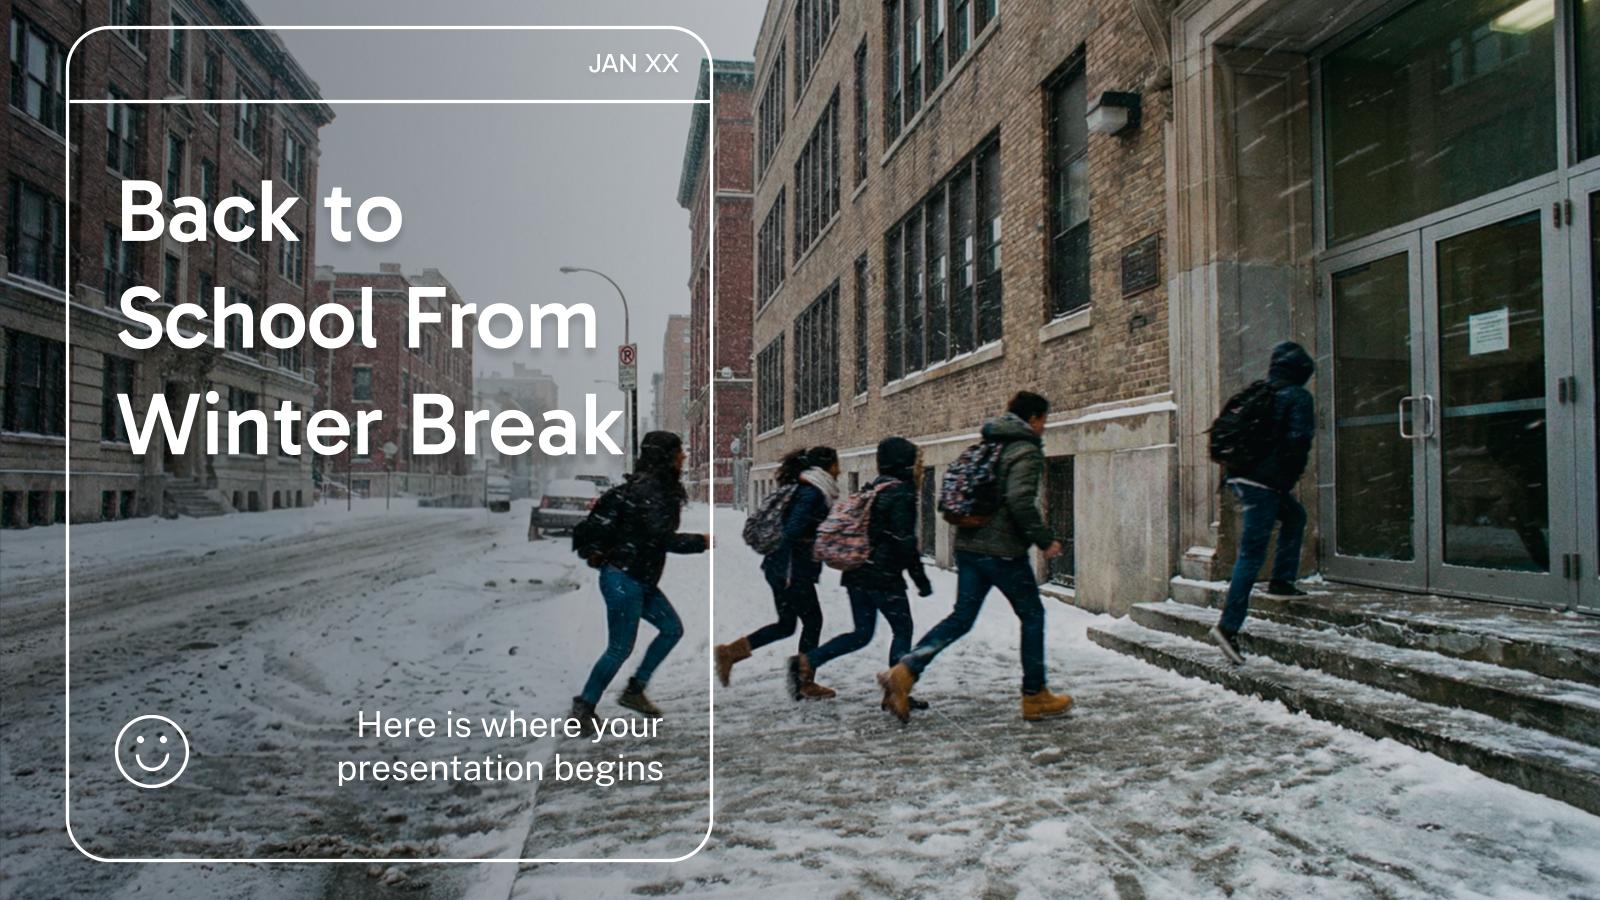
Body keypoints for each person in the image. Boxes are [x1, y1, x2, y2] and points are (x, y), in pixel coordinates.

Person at [878, 392, 1073, 724]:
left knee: (961, 618)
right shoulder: (1024, 450)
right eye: (1043, 421)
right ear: (1035, 419)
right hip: (1003, 553)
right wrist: (1044, 540)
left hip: (969, 549)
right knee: (1033, 615)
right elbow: (1020, 501)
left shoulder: (989, 444)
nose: (1044, 427)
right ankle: (1035, 695)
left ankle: (905, 671)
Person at [570, 431, 708, 727]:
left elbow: (650, 536)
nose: (683, 457)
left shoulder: (656, 487)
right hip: (624, 579)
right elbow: (660, 537)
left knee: (671, 628)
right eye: (678, 452)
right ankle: (584, 706)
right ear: (665, 457)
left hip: (639, 578)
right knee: (619, 647)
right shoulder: (651, 491)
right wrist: (702, 541)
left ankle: (635, 690)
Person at [788, 437, 934, 708]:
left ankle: (809, 660)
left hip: (857, 573)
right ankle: (896, 691)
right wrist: (920, 579)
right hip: (883, 576)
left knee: (862, 633)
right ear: (905, 462)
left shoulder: (875, 487)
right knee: (903, 628)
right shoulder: (901, 493)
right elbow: (905, 542)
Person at [1209, 341, 1315, 666]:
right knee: (1251, 555)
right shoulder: (1297, 396)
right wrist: (1285, 477)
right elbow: (1298, 441)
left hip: (1241, 476)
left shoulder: (1260, 392)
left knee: (1295, 517)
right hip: (1264, 483)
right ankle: (1227, 628)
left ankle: (1282, 580)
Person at [714, 446, 840, 699]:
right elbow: (793, 529)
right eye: (837, 463)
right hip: (791, 571)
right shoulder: (812, 493)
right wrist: (818, 538)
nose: (840, 469)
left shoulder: (807, 489)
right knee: (812, 621)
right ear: (827, 467)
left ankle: (730, 653)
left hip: (779, 568)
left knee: (787, 624)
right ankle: (804, 681)